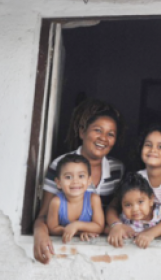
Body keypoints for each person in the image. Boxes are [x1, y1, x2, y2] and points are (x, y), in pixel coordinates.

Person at [33, 99, 124, 264]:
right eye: (98, 130)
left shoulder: (118, 169)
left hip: (104, 253)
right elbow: (44, 216)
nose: (103, 138)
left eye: (110, 134)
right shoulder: (61, 166)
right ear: (82, 132)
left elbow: (118, 212)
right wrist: (40, 233)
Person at [107, 125, 161, 248]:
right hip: (138, 226)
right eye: (148, 145)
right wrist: (116, 226)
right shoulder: (136, 177)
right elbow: (112, 207)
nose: (153, 150)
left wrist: (151, 233)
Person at [45, 154, 105, 243]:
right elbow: (52, 228)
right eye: (68, 177)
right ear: (58, 183)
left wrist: (77, 225)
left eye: (81, 176)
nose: (75, 181)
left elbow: (99, 226)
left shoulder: (93, 199)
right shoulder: (56, 202)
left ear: (89, 181)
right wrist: (74, 232)